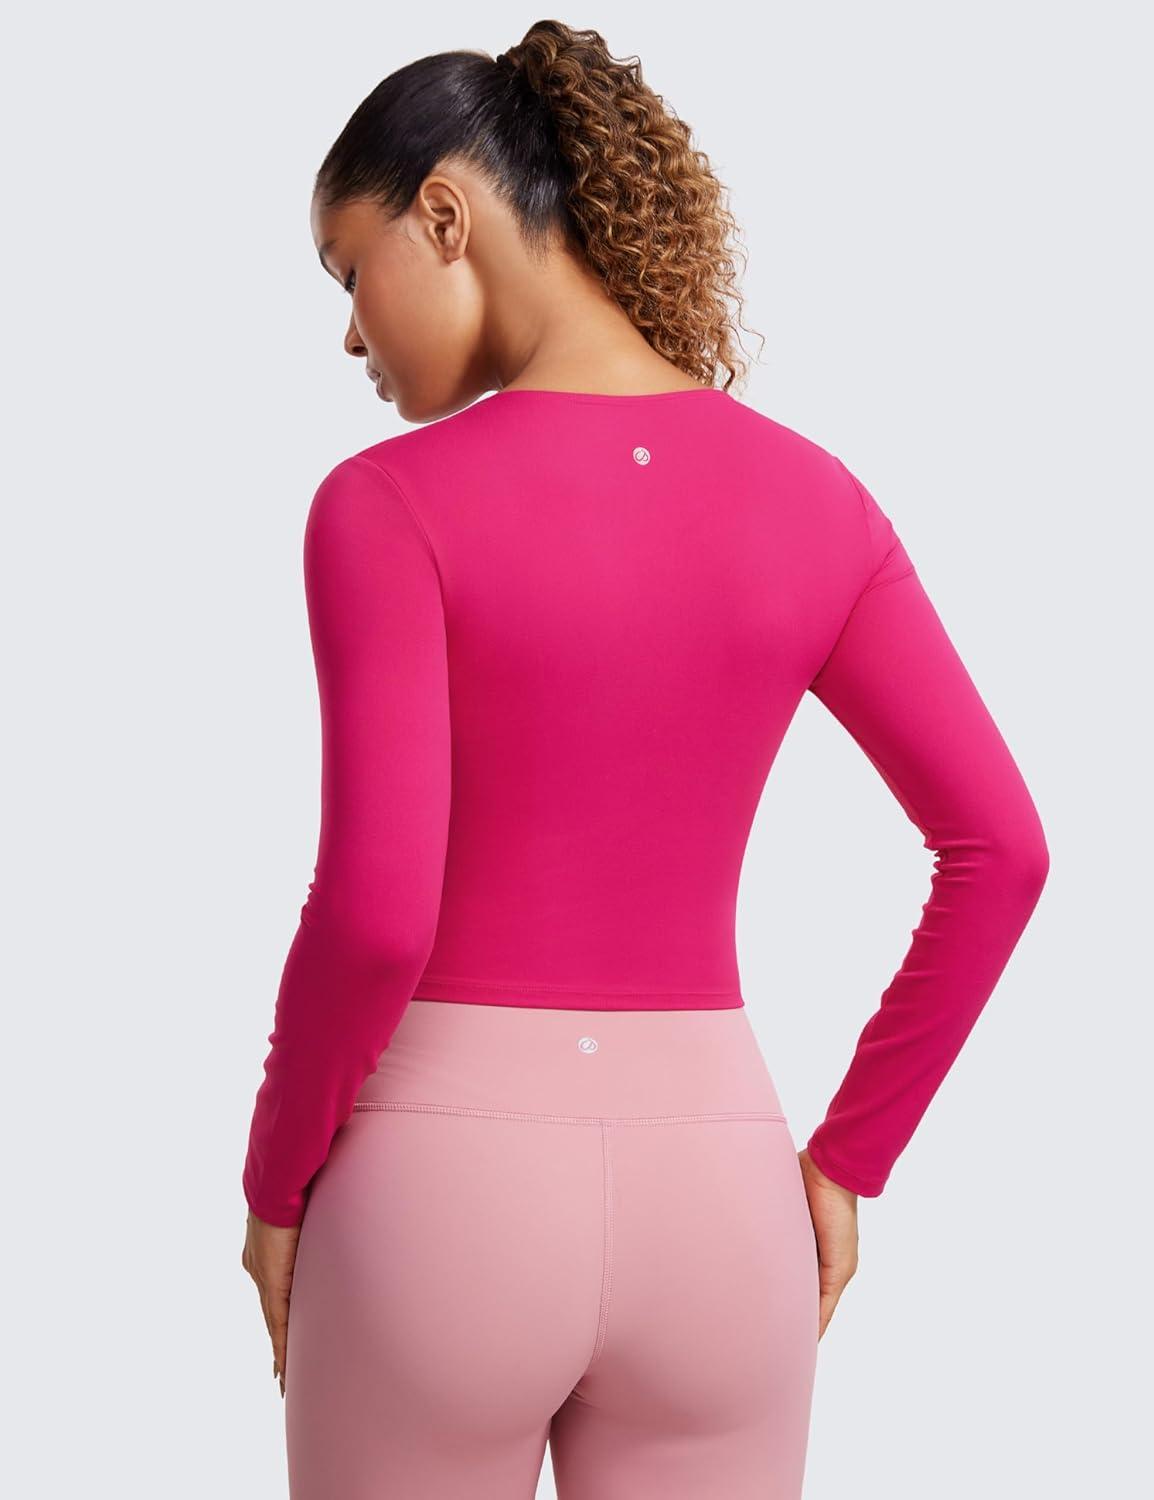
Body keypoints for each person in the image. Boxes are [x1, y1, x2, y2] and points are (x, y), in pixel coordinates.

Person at [239, 21, 1049, 1499]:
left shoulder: (383, 506)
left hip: (439, 1201)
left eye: (348, 270)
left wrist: (274, 1181)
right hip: (720, 1204)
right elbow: (1003, 850)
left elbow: (374, 919)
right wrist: (845, 1162)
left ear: (444, 215)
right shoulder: (818, 502)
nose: (351, 334)